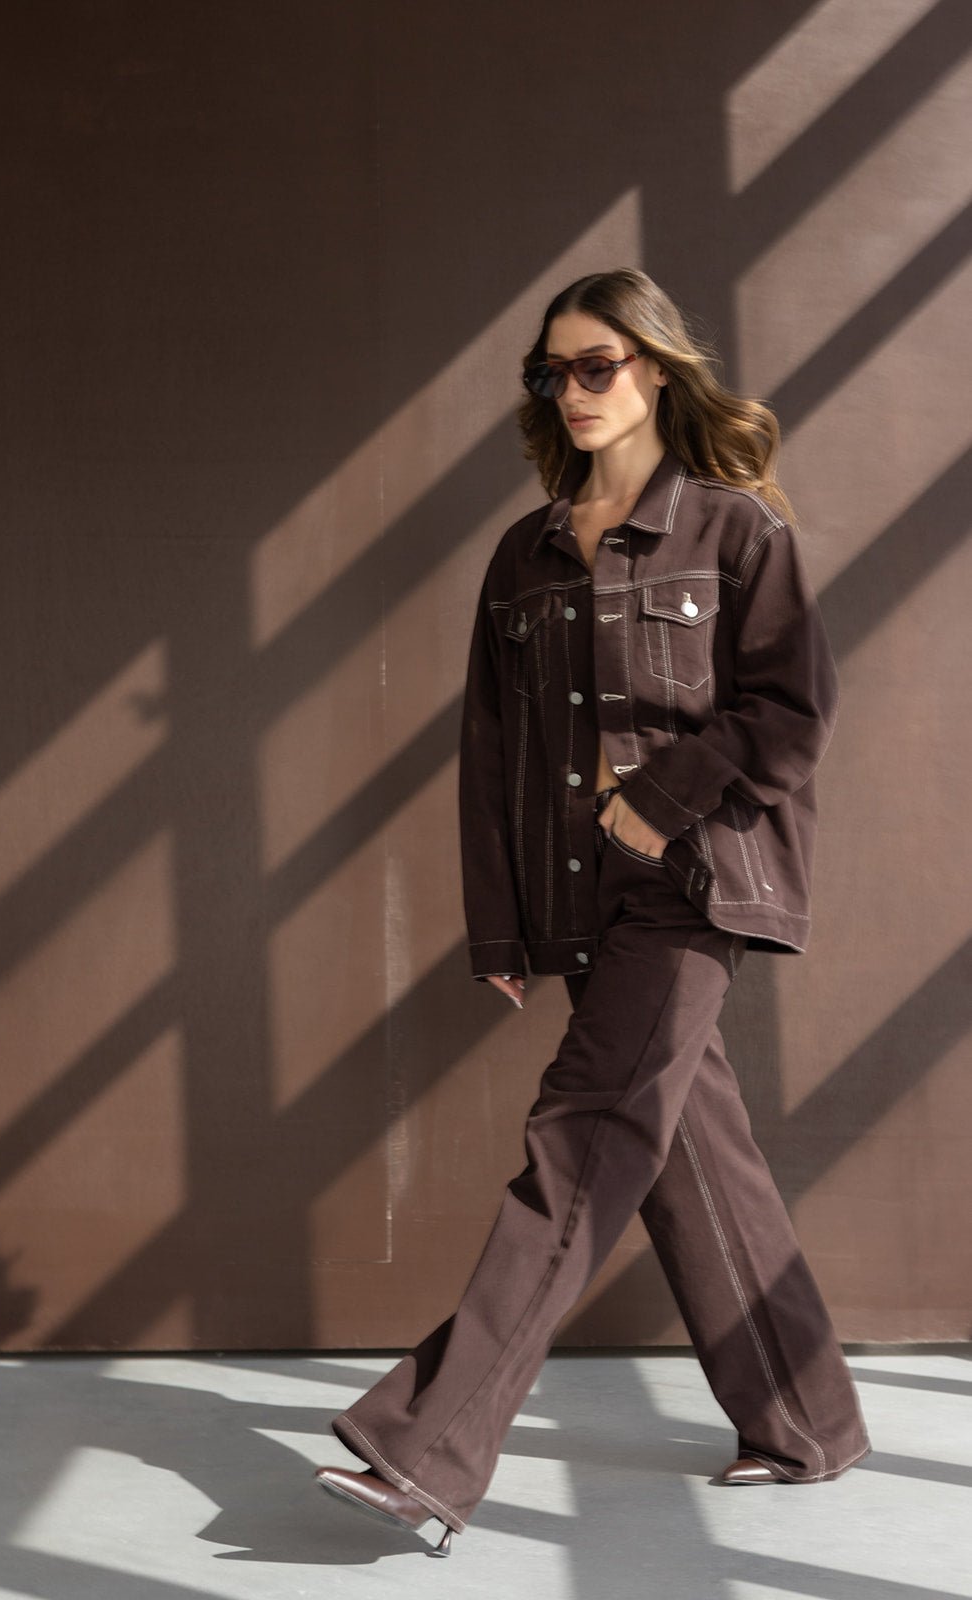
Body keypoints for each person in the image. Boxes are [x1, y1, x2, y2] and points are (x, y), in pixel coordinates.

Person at [313, 267, 872, 1557]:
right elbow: (492, 751)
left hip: (692, 878)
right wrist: (500, 924)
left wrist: (662, 803)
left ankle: (429, 1448)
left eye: (595, 365)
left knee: (582, 1140)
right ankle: (808, 1420)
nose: (571, 391)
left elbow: (792, 711)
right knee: (687, 1153)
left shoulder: (735, 531)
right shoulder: (525, 555)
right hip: (576, 894)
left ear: (657, 371)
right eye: (550, 372)